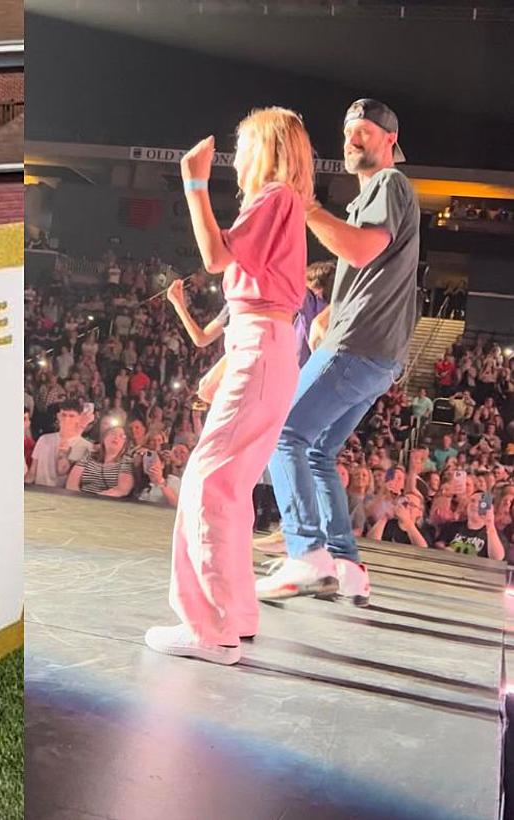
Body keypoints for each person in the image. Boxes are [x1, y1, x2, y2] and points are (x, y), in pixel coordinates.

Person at [145, 107, 315, 665]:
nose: (234, 159)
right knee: (230, 487)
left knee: (207, 483)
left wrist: (194, 181)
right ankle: (234, 616)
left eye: (240, 148)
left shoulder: (274, 197)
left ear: (264, 148)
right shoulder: (282, 203)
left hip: (261, 351)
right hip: (264, 348)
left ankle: (209, 629)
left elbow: (216, 256)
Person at [257, 99, 420, 608]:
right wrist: (333, 311)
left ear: (390, 140)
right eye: (349, 131)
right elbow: (371, 265)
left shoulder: (389, 185)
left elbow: (361, 250)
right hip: (376, 354)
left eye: (366, 131)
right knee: (319, 450)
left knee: (284, 431)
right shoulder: (371, 196)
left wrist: (307, 207)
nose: (353, 139)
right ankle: (346, 566)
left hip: (360, 345)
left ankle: (306, 554)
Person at [25, 398, 95, 487]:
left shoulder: (87, 447)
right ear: (58, 416)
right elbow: (32, 473)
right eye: (64, 415)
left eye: (71, 416)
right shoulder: (44, 439)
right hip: (39, 493)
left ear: (79, 418)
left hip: (64, 497)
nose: (66, 419)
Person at [65, 425, 135, 497]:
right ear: (104, 438)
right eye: (113, 433)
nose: (116, 437)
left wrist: (96, 500)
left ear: (125, 444)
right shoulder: (89, 456)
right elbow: (72, 482)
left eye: (121, 436)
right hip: (80, 498)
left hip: (107, 502)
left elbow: (122, 489)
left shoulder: (126, 462)